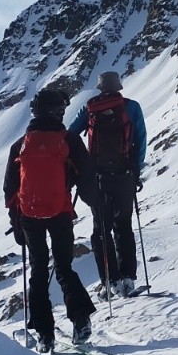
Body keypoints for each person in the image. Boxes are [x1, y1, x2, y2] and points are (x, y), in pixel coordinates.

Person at [4, 86, 99, 352]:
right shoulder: (68, 139)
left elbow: (10, 189)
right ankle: (80, 318)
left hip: (29, 216)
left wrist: (16, 222)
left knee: (38, 272)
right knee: (64, 268)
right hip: (60, 212)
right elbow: (87, 177)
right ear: (59, 111)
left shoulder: (20, 144)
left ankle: (45, 334)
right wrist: (94, 203)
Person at [69, 70, 148, 298]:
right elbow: (141, 139)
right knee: (123, 225)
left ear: (101, 88)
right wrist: (135, 169)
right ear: (119, 87)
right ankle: (128, 279)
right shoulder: (131, 107)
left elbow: (72, 135)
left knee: (101, 229)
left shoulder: (90, 108)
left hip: (98, 178)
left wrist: (86, 165)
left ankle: (109, 281)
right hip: (124, 176)